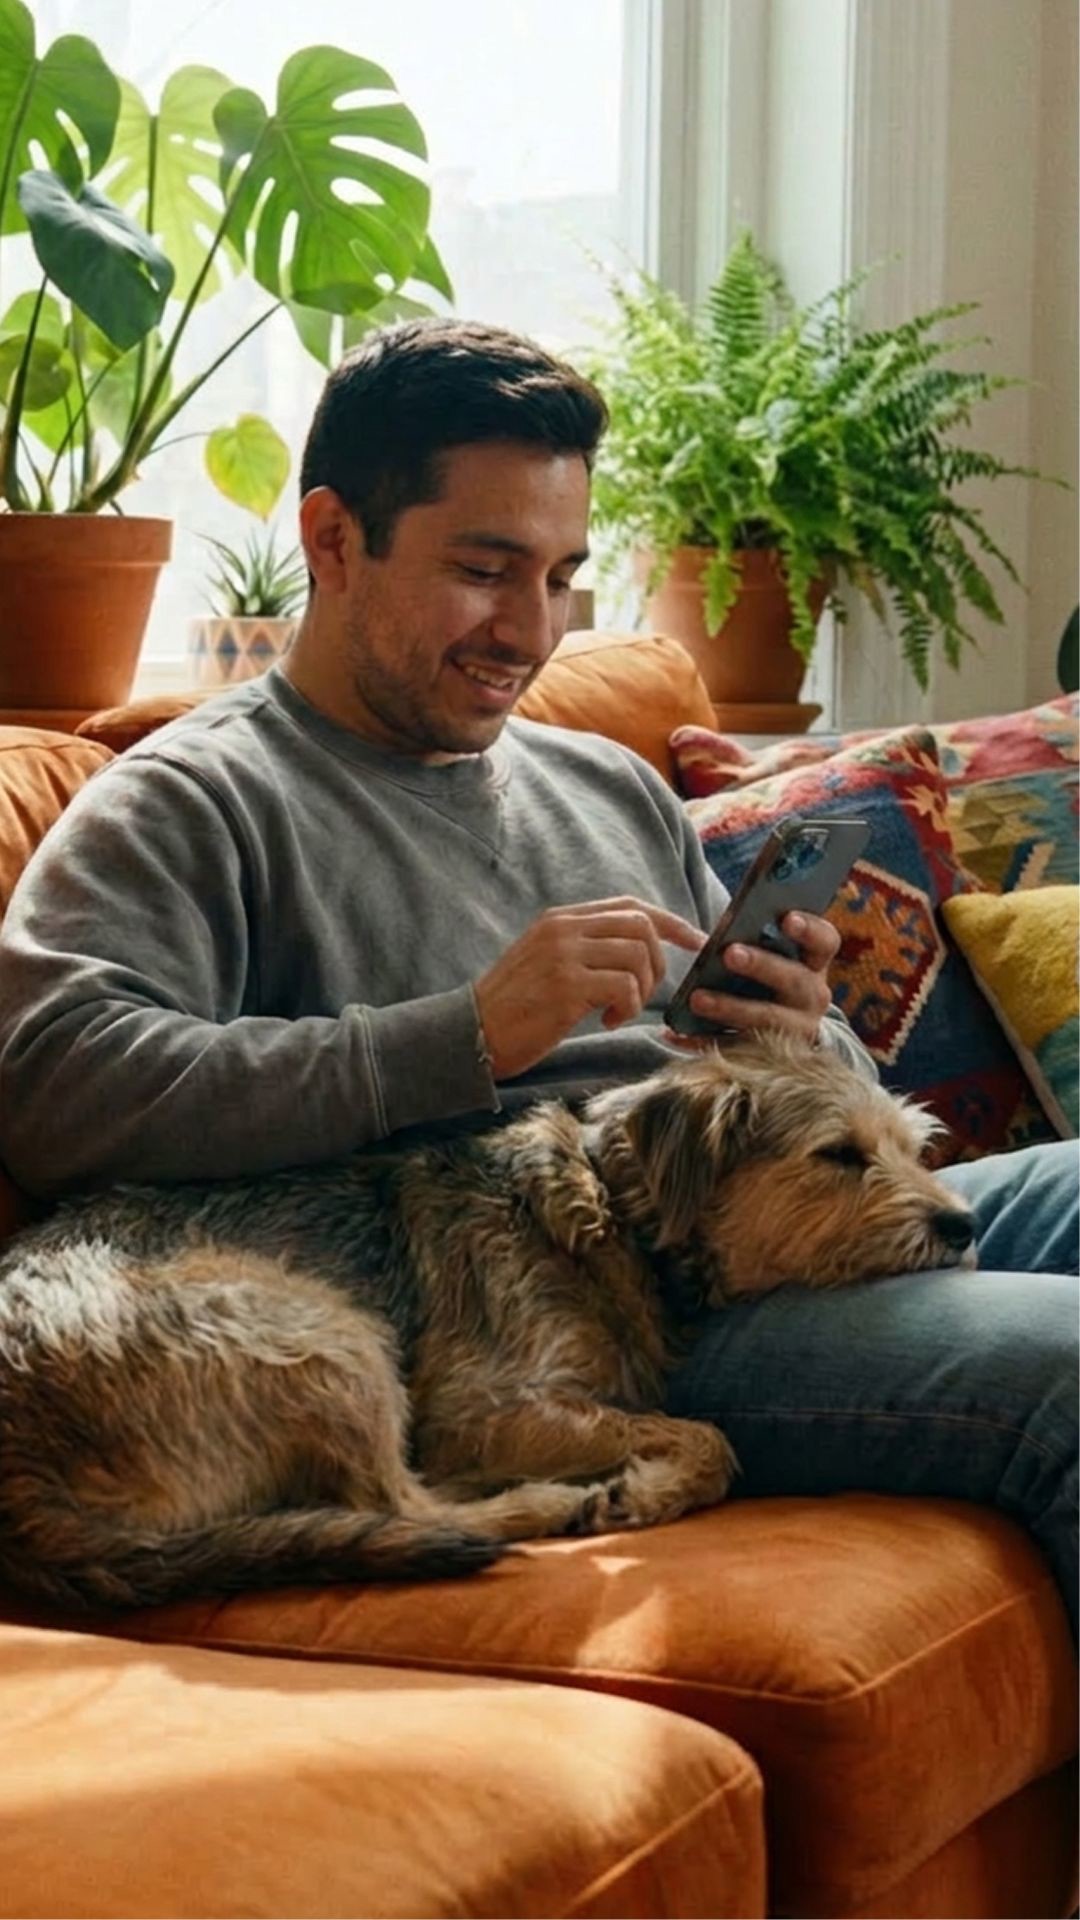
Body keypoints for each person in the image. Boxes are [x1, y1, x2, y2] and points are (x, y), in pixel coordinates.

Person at [0, 318, 1075, 1638]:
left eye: (563, 575)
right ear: (333, 540)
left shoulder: (607, 782)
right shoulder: (194, 801)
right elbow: (59, 1090)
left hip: (783, 1219)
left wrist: (805, 1038)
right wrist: (464, 1035)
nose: (531, 629)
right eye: (485, 568)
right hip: (598, 1316)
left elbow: (800, 1111)